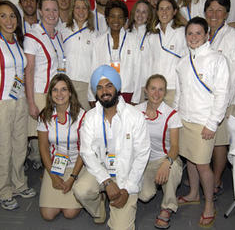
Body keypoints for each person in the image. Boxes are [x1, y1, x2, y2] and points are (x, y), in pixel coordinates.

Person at [73, 65, 150, 229]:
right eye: (99, 87)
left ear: (117, 87)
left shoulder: (135, 116)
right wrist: (107, 181)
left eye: (109, 85)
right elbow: (86, 153)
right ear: (95, 92)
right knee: (81, 190)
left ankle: (119, 203)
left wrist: (127, 189)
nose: (104, 91)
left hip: (126, 174)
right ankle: (99, 208)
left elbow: (142, 155)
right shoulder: (90, 117)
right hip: (100, 172)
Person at [175, 17, 229, 227]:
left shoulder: (217, 59)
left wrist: (212, 123)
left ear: (207, 35)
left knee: (203, 165)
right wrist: (176, 117)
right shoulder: (182, 61)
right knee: (190, 160)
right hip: (185, 120)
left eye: (199, 33)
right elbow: (180, 93)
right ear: (186, 36)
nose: (194, 37)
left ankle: (209, 205)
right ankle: (193, 193)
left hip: (204, 122)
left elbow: (222, 94)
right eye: (190, 33)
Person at [204, 0, 235, 197]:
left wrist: (222, 102)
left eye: (219, 10)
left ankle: (217, 179)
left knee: (219, 143)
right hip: (203, 100)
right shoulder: (202, 34)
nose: (214, 14)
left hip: (225, 100)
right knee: (206, 141)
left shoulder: (234, 37)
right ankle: (206, 174)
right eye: (210, 10)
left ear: (226, 14)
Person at [0, 0, 36, 211]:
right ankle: (4, 190)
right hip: (3, 103)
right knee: (4, 148)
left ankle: (19, 183)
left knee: (20, 145)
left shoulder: (18, 42)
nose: (9, 20)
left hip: (20, 100)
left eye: (12, 15)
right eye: (3, 16)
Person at [136, 74, 183, 229]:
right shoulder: (136, 111)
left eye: (161, 89)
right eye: (153, 89)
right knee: (144, 196)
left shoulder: (172, 115)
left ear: (165, 93)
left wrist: (166, 162)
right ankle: (154, 184)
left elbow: (175, 147)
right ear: (146, 91)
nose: (156, 94)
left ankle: (167, 206)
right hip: (142, 161)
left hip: (163, 158)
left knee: (174, 167)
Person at [24, 0, 65, 169]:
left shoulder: (59, 35)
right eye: (47, 9)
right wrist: (31, 102)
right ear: (40, 11)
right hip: (41, 94)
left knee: (56, 137)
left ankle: (55, 171)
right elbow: (29, 70)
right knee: (44, 138)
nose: (51, 13)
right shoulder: (32, 36)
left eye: (54, 9)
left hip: (58, 95)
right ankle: (48, 175)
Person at [38, 74, 86, 220]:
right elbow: (43, 147)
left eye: (64, 89)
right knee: (48, 215)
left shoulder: (82, 115)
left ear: (70, 92)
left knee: (69, 213)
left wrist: (72, 178)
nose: (59, 94)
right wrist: (53, 175)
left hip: (77, 166)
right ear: (50, 94)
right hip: (55, 166)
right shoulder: (44, 116)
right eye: (55, 90)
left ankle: (94, 194)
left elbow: (84, 151)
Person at [88, 0, 141, 106]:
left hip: (127, 92)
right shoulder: (99, 41)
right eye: (112, 16)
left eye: (120, 17)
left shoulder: (133, 40)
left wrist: (136, 98)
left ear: (125, 19)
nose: (116, 20)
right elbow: (94, 69)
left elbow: (138, 71)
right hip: (104, 92)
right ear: (107, 18)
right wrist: (91, 95)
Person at [149, 0, 188, 107]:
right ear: (156, 12)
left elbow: (187, 60)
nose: (164, 12)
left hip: (174, 87)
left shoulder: (182, 32)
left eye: (168, 8)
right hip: (155, 89)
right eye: (161, 9)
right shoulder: (152, 35)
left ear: (175, 11)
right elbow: (150, 62)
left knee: (173, 122)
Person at [61, 0, 96, 111]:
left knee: (83, 122)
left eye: (84, 8)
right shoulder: (63, 30)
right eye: (77, 7)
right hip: (66, 83)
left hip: (86, 85)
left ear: (88, 11)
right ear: (72, 9)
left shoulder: (95, 34)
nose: (81, 11)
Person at [128, 0, 154, 101]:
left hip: (144, 85)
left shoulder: (152, 35)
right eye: (138, 11)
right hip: (129, 86)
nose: (140, 15)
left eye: (144, 12)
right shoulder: (126, 34)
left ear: (148, 16)